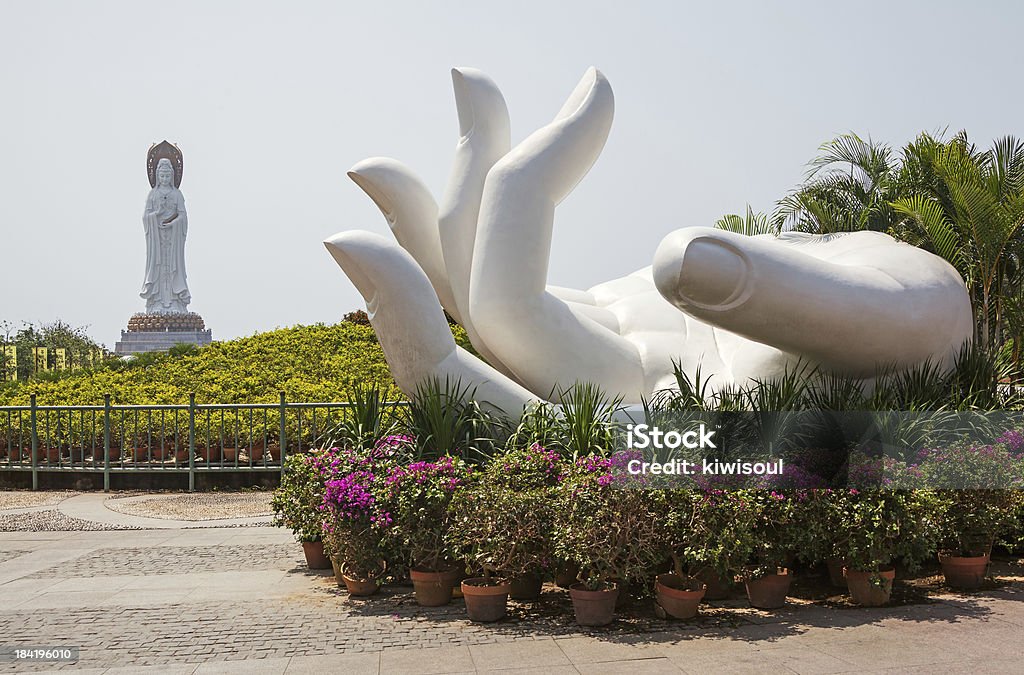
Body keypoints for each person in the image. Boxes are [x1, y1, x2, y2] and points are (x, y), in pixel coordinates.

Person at [140, 158, 191, 314]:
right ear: (157, 176)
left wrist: (174, 223)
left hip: (173, 238)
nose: (164, 179)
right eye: (162, 176)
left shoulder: (177, 194)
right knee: (158, 267)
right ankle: (156, 302)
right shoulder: (152, 194)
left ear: (172, 176)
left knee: (174, 267)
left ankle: (175, 301)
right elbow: (145, 216)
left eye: (167, 176)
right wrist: (157, 214)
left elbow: (183, 216)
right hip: (157, 238)